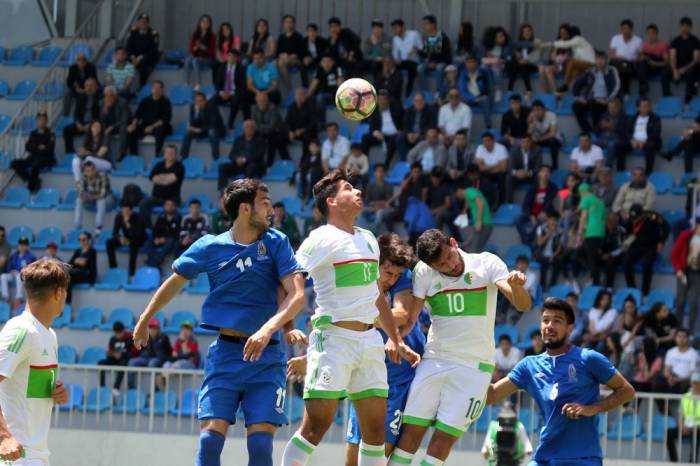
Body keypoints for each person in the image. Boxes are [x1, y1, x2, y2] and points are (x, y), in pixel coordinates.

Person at [134, 178, 306, 466]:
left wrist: (268, 330)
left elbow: (297, 295)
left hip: (267, 357)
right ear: (244, 209)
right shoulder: (209, 247)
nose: (271, 211)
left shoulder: (277, 242)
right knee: (210, 442)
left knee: (262, 446)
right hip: (225, 355)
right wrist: (145, 317)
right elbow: (175, 282)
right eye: (264, 204)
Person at [282, 170, 419, 466]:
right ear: (332, 201)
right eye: (348, 188)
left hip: (370, 341)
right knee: (315, 429)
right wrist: (288, 326)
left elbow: (377, 295)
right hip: (334, 340)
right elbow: (287, 280)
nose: (357, 191)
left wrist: (396, 340)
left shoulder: (368, 239)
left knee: (374, 434)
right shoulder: (320, 239)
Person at [385, 228, 530, 466]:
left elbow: (522, 305)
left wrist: (516, 287)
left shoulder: (486, 263)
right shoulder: (423, 272)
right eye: (441, 265)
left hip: (474, 368)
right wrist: (394, 338)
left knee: (442, 441)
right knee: (410, 433)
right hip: (434, 359)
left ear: (453, 243)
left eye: (449, 257)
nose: (449, 266)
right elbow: (411, 320)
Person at [487, 297, 636, 465]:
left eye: (556, 321)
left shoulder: (588, 359)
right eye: (545, 320)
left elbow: (627, 391)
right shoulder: (528, 366)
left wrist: (592, 409)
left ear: (570, 329)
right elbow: (491, 395)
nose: (549, 325)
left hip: (583, 459)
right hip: (545, 458)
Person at [0, 259, 70, 465]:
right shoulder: (21, 330)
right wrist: (3, 436)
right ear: (58, 293)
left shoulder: (49, 335)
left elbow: (26, 387)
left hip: (36, 455)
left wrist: (55, 391)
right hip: (15, 456)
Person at [622, 204, 670, 296]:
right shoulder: (630, 219)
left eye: (637, 217)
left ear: (642, 214)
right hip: (636, 245)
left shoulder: (653, 217)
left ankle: (645, 292)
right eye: (633, 218)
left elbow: (666, 227)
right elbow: (628, 233)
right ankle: (632, 288)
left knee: (647, 263)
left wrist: (662, 242)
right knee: (625, 262)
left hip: (652, 246)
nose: (634, 220)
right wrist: (626, 244)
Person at [571, 50, 621, 133]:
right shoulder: (590, 71)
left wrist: (607, 100)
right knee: (575, 106)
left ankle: (597, 130)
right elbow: (576, 84)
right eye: (598, 59)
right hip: (591, 100)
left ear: (606, 60)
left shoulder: (612, 70)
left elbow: (617, 86)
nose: (600, 61)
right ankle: (586, 130)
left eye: (602, 59)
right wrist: (579, 97)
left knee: (593, 105)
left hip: (606, 101)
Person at [138, 144, 184, 228]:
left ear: (176, 154)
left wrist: (160, 177)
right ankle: (148, 228)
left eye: (172, 153)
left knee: (169, 208)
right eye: (167, 152)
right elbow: (152, 178)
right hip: (156, 197)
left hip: (172, 198)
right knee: (142, 204)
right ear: (164, 154)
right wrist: (166, 178)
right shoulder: (159, 165)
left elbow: (171, 180)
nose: (169, 155)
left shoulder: (179, 167)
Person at [539, 26, 596, 93]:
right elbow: (576, 57)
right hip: (583, 65)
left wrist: (547, 44)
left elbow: (565, 44)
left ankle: (565, 84)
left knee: (571, 62)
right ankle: (568, 93)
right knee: (574, 72)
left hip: (590, 63)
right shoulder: (576, 46)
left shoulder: (578, 39)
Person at [10, 112, 55, 192]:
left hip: (46, 158)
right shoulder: (33, 133)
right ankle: (33, 180)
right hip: (33, 157)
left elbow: (48, 150)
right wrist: (39, 147)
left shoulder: (51, 134)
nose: (40, 122)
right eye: (38, 120)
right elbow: (27, 147)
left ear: (46, 121)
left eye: (42, 120)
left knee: (35, 165)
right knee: (14, 163)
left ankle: (31, 188)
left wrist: (34, 146)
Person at [127, 80, 172, 156]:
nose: (156, 90)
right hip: (145, 126)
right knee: (131, 131)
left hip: (159, 126)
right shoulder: (145, 101)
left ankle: (157, 153)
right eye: (154, 87)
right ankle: (134, 155)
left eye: (158, 88)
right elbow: (137, 115)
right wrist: (133, 125)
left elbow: (166, 119)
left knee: (160, 129)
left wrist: (152, 126)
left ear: (162, 90)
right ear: (152, 89)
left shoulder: (166, 102)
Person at [218, 119, 268, 188]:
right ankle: (222, 191)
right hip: (239, 165)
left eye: (251, 127)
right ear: (244, 128)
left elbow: (259, 155)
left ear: (254, 128)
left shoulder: (260, 140)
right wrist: (237, 159)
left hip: (254, 165)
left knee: (251, 167)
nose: (249, 129)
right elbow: (231, 154)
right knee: (223, 167)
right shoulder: (239, 140)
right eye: (247, 127)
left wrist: (245, 160)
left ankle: (243, 191)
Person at [515, 164, 557, 245]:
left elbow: (550, 202)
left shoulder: (553, 187)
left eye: (547, 172)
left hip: (544, 213)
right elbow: (525, 204)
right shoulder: (533, 187)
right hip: (532, 213)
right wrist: (531, 215)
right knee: (517, 219)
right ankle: (526, 240)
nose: (545, 174)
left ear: (550, 175)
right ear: (539, 173)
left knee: (539, 221)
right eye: (543, 171)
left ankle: (528, 241)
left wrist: (544, 212)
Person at [664, 17, 700, 104]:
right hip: (678, 68)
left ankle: (688, 99)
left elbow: (696, 59)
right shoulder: (675, 41)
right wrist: (675, 70)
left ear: (691, 28)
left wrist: (684, 69)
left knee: (692, 73)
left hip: (690, 67)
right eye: (683, 26)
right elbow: (672, 57)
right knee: (665, 73)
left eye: (687, 26)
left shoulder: (695, 41)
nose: (685, 28)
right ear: (680, 27)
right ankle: (666, 95)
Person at [672, 221, 700, 332]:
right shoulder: (686, 235)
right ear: (697, 225)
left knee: (694, 302)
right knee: (680, 302)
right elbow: (674, 255)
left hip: (697, 275)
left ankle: (691, 331)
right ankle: (678, 329)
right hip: (683, 272)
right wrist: (678, 269)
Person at [127, 318, 171, 389]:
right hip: (145, 358)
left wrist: (164, 358)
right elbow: (139, 349)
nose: (152, 330)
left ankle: (153, 389)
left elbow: (168, 351)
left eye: (154, 328)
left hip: (158, 359)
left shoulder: (164, 338)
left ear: (158, 329)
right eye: (150, 328)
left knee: (152, 363)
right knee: (131, 362)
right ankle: (130, 388)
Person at [362, 89, 402, 166]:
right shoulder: (374, 111)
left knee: (394, 139)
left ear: (388, 100)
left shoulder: (396, 109)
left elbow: (403, 121)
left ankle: (386, 164)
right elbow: (372, 127)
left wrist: (401, 130)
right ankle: (365, 162)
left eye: (384, 100)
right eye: (380, 100)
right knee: (365, 137)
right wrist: (376, 133)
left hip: (394, 135)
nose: (382, 102)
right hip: (381, 135)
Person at [106, 203, 146, 278]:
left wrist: (127, 223)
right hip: (127, 239)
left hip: (139, 239)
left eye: (127, 211)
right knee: (109, 242)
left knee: (133, 244)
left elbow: (138, 234)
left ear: (131, 211)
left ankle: (131, 273)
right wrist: (119, 238)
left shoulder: (138, 217)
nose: (125, 213)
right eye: (123, 210)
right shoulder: (119, 216)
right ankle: (113, 268)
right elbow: (115, 232)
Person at [181, 91, 225, 160]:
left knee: (211, 132)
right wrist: (196, 113)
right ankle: (183, 157)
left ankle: (216, 158)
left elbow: (214, 124)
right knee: (188, 132)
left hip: (216, 130)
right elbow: (192, 123)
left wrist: (200, 130)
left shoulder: (212, 106)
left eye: (200, 101)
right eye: (196, 101)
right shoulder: (193, 107)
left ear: (205, 101)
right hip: (203, 131)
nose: (198, 103)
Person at [667, 372, 700, 462]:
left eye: (697, 383)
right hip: (687, 426)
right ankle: (674, 461)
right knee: (668, 433)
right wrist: (682, 427)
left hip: (697, 427)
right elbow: (680, 415)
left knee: (696, 433)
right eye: (694, 382)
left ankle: (692, 462)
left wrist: (694, 427)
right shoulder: (685, 397)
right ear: (691, 383)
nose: (696, 385)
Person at [577, 183, 606, 286]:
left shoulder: (586, 198)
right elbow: (603, 218)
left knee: (591, 259)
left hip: (591, 231)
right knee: (585, 254)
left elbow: (583, 217)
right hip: (600, 232)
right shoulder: (600, 201)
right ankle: (594, 275)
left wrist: (580, 232)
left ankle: (596, 281)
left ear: (582, 191)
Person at [654, 328, 698, 395]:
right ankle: (663, 405)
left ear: (688, 338)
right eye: (679, 336)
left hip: (685, 380)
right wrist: (670, 378)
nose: (681, 339)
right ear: (675, 338)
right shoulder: (670, 352)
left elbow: (692, 374)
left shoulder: (694, 354)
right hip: (672, 377)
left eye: (684, 337)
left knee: (685, 385)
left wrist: (677, 380)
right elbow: (666, 370)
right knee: (658, 383)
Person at [62, 77, 100, 154]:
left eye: (91, 85)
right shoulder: (80, 97)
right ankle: (70, 153)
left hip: (93, 124)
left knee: (95, 130)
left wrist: (91, 125)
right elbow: (76, 113)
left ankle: (92, 153)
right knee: (66, 130)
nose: (89, 88)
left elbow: (100, 116)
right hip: (81, 124)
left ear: (96, 87)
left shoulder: (100, 98)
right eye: (87, 86)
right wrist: (77, 123)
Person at [214, 49, 250, 128]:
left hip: (235, 93)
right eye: (229, 56)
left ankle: (230, 123)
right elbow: (217, 83)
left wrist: (230, 93)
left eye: (233, 57)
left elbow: (242, 86)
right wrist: (222, 92)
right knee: (211, 101)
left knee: (236, 99)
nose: (230, 58)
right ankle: (215, 122)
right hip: (223, 93)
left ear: (237, 58)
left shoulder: (241, 68)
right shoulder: (222, 66)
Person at [74, 161, 113, 235]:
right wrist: (83, 195)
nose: (91, 172)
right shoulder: (83, 178)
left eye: (92, 170)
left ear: (95, 170)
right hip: (92, 200)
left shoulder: (102, 176)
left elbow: (103, 194)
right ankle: (77, 226)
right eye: (88, 171)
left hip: (107, 200)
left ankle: (98, 227)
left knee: (101, 201)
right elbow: (80, 192)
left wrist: (90, 197)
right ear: (84, 172)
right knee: (78, 200)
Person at [251, 92, 289, 167]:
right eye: (260, 101)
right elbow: (254, 125)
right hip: (263, 132)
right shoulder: (253, 108)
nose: (262, 103)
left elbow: (272, 126)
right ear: (257, 101)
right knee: (251, 136)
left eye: (263, 100)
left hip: (277, 132)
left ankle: (269, 163)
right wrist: (260, 127)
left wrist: (259, 127)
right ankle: (255, 162)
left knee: (273, 137)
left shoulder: (273, 108)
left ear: (267, 100)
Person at [627, 97, 662, 174]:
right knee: (619, 145)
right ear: (638, 108)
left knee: (650, 147)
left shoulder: (655, 119)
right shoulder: (632, 118)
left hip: (649, 142)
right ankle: (621, 171)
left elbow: (656, 134)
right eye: (643, 106)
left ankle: (648, 172)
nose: (646, 108)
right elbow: (627, 132)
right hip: (634, 142)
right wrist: (631, 140)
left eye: (648, 106)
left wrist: (644, 142)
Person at [398, 92, 438, 160]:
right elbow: (405, 125)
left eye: (420, 101)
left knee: (424, 139)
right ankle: (405, 160)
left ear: (424, 101)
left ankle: (419, 160)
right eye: (416, 101)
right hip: (411, 134)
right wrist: (408, 134)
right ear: (413, 102)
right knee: (399, 138)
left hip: (423, 134)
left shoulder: (431, 109)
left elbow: (432, 126)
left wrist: (418, 134)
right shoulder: (408, 110)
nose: (418, 103)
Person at [417, 14, 452, 92]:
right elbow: (425, 53)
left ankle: (439, 92)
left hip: (442, 63)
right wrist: (417, 50)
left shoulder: (442, 37)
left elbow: (447, 55)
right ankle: (424, 92)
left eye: (425, 24)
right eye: (423, 24)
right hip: (430, 63)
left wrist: (435, 63)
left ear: (433, 25)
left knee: (439, 68)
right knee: (420, 68)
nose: (423, 26)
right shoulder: (427, 38)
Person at [97, 321, 133, 396]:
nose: (118, 335)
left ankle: (116, 387)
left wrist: (123, 355)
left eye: (120, 333)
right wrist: (113, 354)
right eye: (116, 333)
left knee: (123, 364)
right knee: (101, 363)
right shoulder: (113, 339)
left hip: (125, 359)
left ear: (123, 331)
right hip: (114, 359)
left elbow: (134, 351)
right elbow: (109, 351)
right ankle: (102, 386)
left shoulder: (130, 338)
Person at [145, 198, 181, 271]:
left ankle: (156, 261)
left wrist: (164, 239)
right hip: (159, 239)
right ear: (164, 206)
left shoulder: (179, 218)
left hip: (170, 241)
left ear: (175, 207)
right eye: (167, 205)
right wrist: (156, 238)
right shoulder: (161, 217)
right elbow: (155, 230)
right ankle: (154, 263)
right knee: (147, 243)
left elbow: (177, 233)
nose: (169, 207)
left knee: (171, 241)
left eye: (171, 205)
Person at [609, 19, 642, 96]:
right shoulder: (615, 38)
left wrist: (632, 60)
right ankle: (624, 91)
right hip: (617, 62)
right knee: (620, 65)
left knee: (624, 66)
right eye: (623, 28)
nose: (625, 31)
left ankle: (622, 92)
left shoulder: (638, 40)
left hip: (631, 63)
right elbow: (611, 55)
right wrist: (620, 57)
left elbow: (641, 57)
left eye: (627, 28)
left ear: (631, 29)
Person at [125, 13, 160, 87]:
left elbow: (153, 50)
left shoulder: (153, 34)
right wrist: (132, 56)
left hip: (147, 57)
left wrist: (140, 57)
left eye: (145, 22)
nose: (143, 23)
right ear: (138, 22)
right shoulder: (133, 31)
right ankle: (125, 85)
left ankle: (142, 85)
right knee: (123, 59)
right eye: (141, 21)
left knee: (144, 64)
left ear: (148, 23)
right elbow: (128, 47)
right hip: (134, 57)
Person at [457, 56, 492, 129]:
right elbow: (462, 90)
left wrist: (482, 97)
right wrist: (473, 99)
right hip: (468, 98)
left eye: (472, 62)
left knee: (485, 99)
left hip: (481, 97)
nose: (470, 64)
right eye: (468, 63)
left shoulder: (483, 72)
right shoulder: (463, 73)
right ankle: (460, 128)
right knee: (458, 99)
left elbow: (489, 88)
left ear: (476, 63)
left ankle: (488, 127)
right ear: (465, 64)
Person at [0, 237, 36, 307]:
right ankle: (5, 297)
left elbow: (33, 268)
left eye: (24, 245)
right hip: (13, 274)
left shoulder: (31, 256)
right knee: (3, 276)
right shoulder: (14, 256)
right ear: (18, 245)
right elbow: (9, 267)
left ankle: (18, 298)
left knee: (18, 276)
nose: (22, 246)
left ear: (27, 246)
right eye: (21, 244)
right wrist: (11, 271)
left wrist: (24, 271)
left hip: (24, 276)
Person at [308, 53, 344, 123]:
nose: (326, 63)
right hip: (324, 94)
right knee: (310, 99)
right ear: (321, 63)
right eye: (324, 61)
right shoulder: (320, 69)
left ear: (333, 62)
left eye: (328, 61)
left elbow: (340, 84)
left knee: (320, 98)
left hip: (334, 95)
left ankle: (321, 122)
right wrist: (307, 96)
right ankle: (311, 122)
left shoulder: (337, 69)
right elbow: (314, 84)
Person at [361, 164, 396, 235]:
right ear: (374, 173)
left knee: (379, 212)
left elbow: (388, 202)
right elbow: (367, 201)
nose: (380, 173)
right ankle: (365, 230)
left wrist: (376, 205)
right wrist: (374, 205)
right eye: (378, 171)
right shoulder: (370, 185)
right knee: (359, 211)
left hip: (386, 208)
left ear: (384, 173)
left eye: (381, 171)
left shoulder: (389, 185)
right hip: (372, 207)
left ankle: (373, 232)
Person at [474, 131, 508, 203]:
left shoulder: (501, 148)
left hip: (498, 174)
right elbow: (479, 168)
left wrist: (485, 167)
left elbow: (503, 168)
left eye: (488, 141)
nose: (486, 143)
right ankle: (481, 201)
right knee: (478, 175)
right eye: (484, 141)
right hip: (486, 173)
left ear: (493, 141)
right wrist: (496, 165)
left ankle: (500, 203)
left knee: (501, 176)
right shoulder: (480, 148)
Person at [507, 23, 540, 97]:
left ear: (532, 32)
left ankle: (510, 89)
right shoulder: (518, 43)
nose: (527, 33)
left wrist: (525, 60)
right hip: (520, 66)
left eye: (529, 31)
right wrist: (516, 54)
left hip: (532, 65)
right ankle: (528, 90)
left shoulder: (536, 41)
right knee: (517, 64)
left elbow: (535, 57)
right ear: (521, 33)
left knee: (519, 65)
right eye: (524, 32)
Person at [507, 134, 543, 203]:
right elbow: (510, 167)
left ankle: (535, 202)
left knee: (538, 177)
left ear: (531, 142)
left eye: (527, 142)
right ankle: (509, 203)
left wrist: (528, 173)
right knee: (508, 177)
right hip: (518, 175)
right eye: (523, 142)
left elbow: (538, 167)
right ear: (520, 142)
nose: (525, 144)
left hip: (531, 174)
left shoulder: (537, 150)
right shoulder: (514, 150)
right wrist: (516, 173)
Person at [391, 19, 422, 98]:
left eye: (397, 27)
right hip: (403, 61)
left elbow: (422, 47)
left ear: (403, 27)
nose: (395, 30)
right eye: (394, 28)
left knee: (411, 68)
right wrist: (396, 59)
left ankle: (408, 92)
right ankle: (395, 92)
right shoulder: (395, 39)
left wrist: (415, 49)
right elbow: (395, 53)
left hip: (414, 60)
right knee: (393, 68)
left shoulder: (414, 34)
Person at [596, 98, 629, 170]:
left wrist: (613, 127)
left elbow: (626, 133)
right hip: (604, 138)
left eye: (614, 107)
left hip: (618, 139)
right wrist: (600, 126)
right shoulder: (604, 116)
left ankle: (607, 168)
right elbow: (597, 130)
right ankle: (593, 168)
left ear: (619, 107)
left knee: (612, 145)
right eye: (610, 108)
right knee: (593, 143)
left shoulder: (625, 117)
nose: (612, 110)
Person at [637, 24, 670, 99]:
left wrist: (655, 63)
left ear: (657, 34)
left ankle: (666, 95)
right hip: (648, 69)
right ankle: (643, 88)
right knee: (641, 63)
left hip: (659, 67)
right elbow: (641, 59)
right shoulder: (645, 45)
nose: (651, 36)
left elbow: (667, 62)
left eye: (653, 33)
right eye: (648, 34)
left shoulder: (663, 45)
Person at [99, 85, 131, 160]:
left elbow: (125, 119)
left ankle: (122, 153)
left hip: (119, 125)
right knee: (99, 128)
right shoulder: (101, 103)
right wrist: (105, 110)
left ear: (115, 95)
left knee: (123, 128)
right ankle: (103, 153)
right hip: (107, 126)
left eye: (111, 95)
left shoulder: (123, 102)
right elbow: (100, 120)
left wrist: (113, 127)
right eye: (106, 95)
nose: (109, 97)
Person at [528, 99, 562, 169]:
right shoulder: (533, 117)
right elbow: (528, 134)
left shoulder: (551, 115)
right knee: (528, 142)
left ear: (544, 110)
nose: (536, 112)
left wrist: (539, 139)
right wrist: (530, 122)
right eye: (534, 110)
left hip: (554, 139)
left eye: (538, 110)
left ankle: (555, 165)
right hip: (540, 139)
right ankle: (534, 166)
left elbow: (552, 133)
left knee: (552, 141)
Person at [185, 14, 216, 88]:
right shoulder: (195, 34)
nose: (204, 23)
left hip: (207, 59)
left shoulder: (212, 36)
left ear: (209, 24)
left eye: (207, 22)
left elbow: (212, 52)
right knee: (187, 60)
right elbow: (190, 50)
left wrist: (202, 47)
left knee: (195, 60)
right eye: (203, 21)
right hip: (196, 57)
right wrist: (196, 47)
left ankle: (198, 83)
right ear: (199, 23)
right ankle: (187, 82)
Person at [480, 26, 510, 101]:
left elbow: (506, 59)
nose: (502, 38)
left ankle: (497, 90)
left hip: (499, 66)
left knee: (496, 70)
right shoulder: (487, 46)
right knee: (484, 68)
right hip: (488, 65)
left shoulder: (505, 47)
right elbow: (481, 58)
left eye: (502, 36)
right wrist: (490, 57)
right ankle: (486, 90)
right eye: (499, 36)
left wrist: (497, 59)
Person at [63, 52, 97, 117]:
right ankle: (65, 115)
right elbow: (69, 82)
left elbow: (94, 79)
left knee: (88, 94)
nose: (81, 62)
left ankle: (83, 115)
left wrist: (85, 89)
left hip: (88, 88)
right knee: (67, 93)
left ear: (86, 61)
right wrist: (76, 88)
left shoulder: (91, 67)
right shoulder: (73, 68)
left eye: (83, 60)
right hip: (77, 89)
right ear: (77, 61)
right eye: (79, 60)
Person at [285, 87, 317, 156]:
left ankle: (304, 160)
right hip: (294, 132)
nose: (298, 97)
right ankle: (285, 159)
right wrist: (290, 131)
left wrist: (302, 130)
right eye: (297, 95)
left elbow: (313, 123)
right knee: (278, 136)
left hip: (306, 132)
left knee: (307, 137)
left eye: (301, 95)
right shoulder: (291, 107)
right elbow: (287, 122)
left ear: (305, 96)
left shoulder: (311, 106)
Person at [66, 231, 97, 304]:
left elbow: (87, 265)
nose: (81, 241)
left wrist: (77, 261)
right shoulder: (78, 251)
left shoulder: (92, 251)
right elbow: (70, 263)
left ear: (89, 240)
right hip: (76, 273)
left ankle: (67, 303)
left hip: (86, 275)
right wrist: (76, 261)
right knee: (66, 277)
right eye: (80, 239)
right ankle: (66, 302)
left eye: (84, 239)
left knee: (68, 274)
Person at [276, 15, 305, 87]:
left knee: (282, 63)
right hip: (282, 59)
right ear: (283, 24)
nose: (288, 24)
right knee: (273, 64)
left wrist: (291, 56)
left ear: (294, 24)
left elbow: (301, 52)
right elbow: (277, 51)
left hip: (295, 60)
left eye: (290, 22)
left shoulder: (298, 36)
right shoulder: (281, 37)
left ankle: (289, 86)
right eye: (286, 22)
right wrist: (281, 55)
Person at [600, 212, 627, 289]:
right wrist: (601, 253)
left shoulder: (622, 230)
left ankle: (609, 287)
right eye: (608, 221)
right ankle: (594, 280)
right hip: (604, 253)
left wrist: (611, 254)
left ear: (616, 221)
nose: (610, 224)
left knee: (610, 262)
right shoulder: (603, 229)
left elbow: (623, 247)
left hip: (616, 255)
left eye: (612, 221)